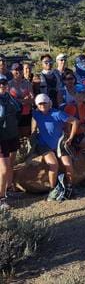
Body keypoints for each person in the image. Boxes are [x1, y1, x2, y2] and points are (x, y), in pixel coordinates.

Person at [31, 94, 79, 201]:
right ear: (37, 105)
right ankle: (53, 189)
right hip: (44, 145)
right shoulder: (35, 114)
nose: (42, 105)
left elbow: (75, 121)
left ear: (49, 103)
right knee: (54, 165)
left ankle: (70, 187)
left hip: (59, 143)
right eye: (40, 104)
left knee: (68, 163)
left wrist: (70, 138)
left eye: (44, 103)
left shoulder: (57, 113)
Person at [0, 75, 21, 210]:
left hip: (11, 134)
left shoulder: (10, 97)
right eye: (0, 84)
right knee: (4, 168)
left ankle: (7, 189)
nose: (2, 85)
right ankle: (1, 198)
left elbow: (18, 110)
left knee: (10, 165)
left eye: (4, 83)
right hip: (1, 137)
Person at [8, 63, 34, 138]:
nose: (18, 72)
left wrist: (16, 100)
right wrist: (24, 100)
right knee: (15, 136)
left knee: (26, 136)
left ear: (22, 71)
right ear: (12, 71)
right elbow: (8, 100)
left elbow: (32, 100)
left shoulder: (27, 83)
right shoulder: (9, 84)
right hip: (14, 114)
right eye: (15, 70)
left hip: (26, 113)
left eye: (20, 69)